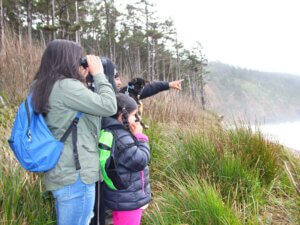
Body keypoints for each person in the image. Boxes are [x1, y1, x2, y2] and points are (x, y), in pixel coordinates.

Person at [31, 39, 117, 225]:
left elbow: (78, 116)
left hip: (63, 172)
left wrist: (83, 79)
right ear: (67, 60)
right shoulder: (66, 87)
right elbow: (110, 106)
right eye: (78, 58)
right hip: (76, 175)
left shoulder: (45, 85)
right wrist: (100, 75)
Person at [101, 93, 151, 225]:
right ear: (121, 115)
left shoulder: (110, 131)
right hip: (128, 199)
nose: (136, 119)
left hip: (120, 196)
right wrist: (141, 137)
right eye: (133, 115)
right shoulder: (122, 138)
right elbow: (140, 160)